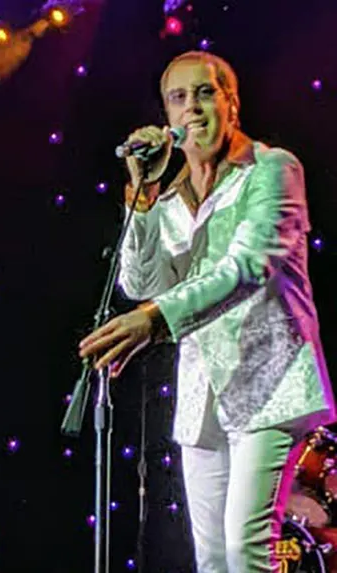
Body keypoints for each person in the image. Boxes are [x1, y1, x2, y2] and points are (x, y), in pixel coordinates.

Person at [77, 51, 335, 572]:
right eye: (178, 98)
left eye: (205, 93)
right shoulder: (169, 200)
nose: (192, 108)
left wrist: (152, 318)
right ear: (167, 120)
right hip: (204, 398)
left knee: (245, 550)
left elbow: (249, 267)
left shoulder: (272, 170)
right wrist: (145, 196)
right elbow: (143, 282)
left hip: (270, 385)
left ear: (231, 104)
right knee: (213, 559)